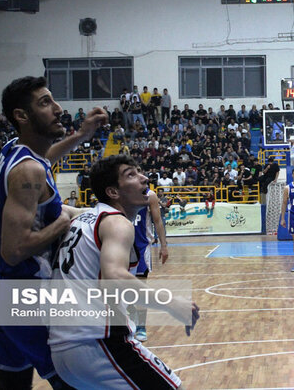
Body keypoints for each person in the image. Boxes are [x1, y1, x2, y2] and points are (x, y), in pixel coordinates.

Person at [0, 76, 107, 389]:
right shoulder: (29, 171)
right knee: (75, 382)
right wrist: (65, 222)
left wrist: (81, 135)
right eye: (45, 103)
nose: (58, 109)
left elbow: (42, 161)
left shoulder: (14, 150)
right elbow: (13, 250)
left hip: (7, 296)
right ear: (21, 116)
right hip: (31, 301)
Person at [48, 155, 198, 389]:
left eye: (140, 171)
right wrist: (171, 303)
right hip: (97, 342)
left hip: (61, 351)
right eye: (131, 174)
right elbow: (115, 277)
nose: (144, 177)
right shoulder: (117, 223)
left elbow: (60, 208)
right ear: (113, 192)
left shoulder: (84, 216)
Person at [130, 185, 170, 342]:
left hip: (140, 247)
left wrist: (164, 245)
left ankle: (141, 326)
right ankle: (127, 324)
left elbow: (158, 220)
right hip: (120, 245)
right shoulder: (117, 191)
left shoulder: (149, 195)